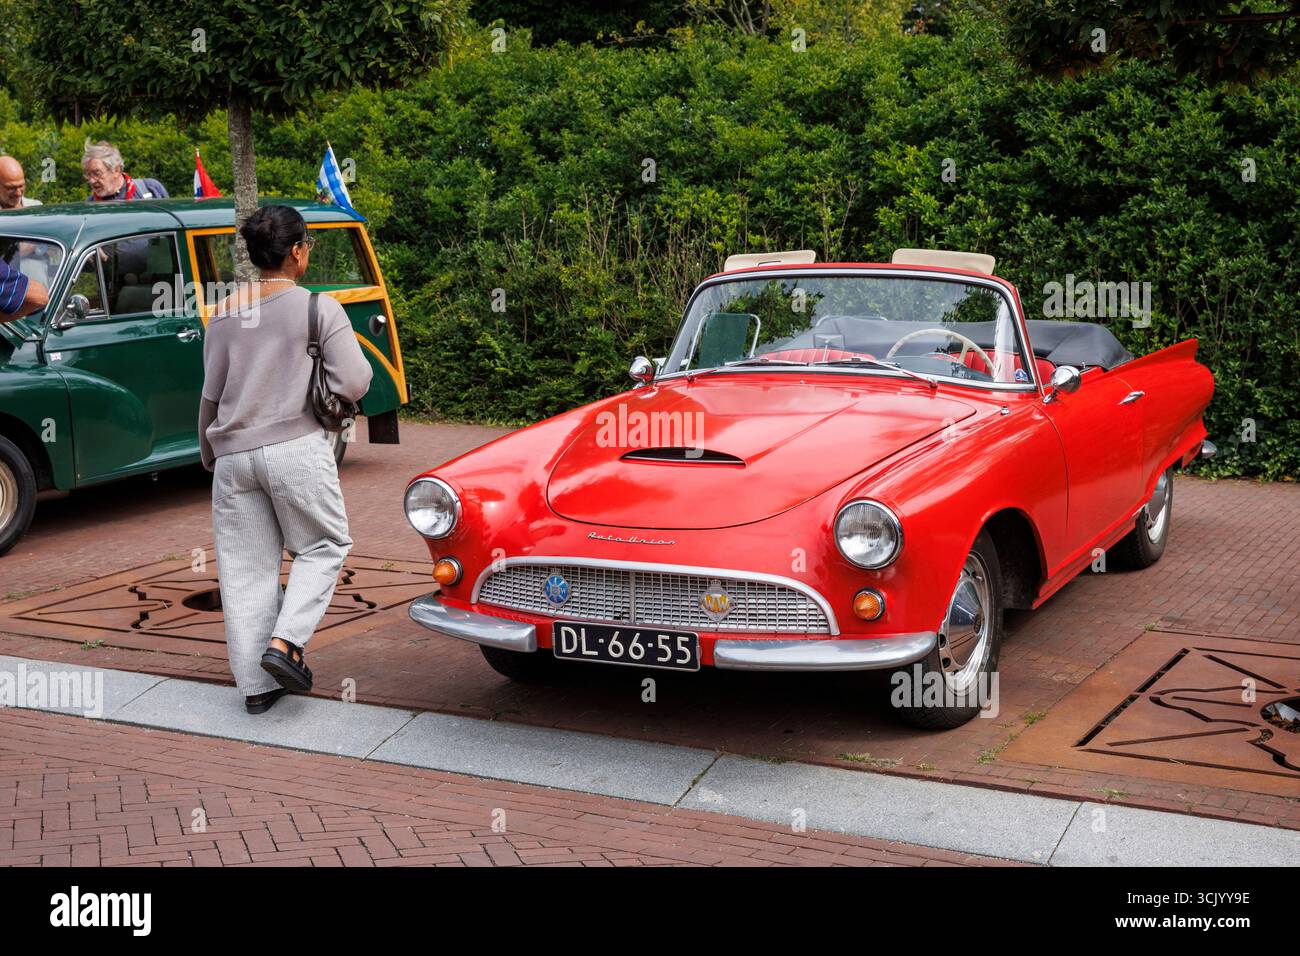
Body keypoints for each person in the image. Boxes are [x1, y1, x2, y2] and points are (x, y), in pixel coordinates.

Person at [199, 205, 372, 714]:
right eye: (308, 246)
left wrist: (211, 453)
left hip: (232, 457)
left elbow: (210, 397)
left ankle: (257, 689)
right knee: (324, 546)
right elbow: (356, 381)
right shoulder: (319, 308)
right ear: (296, 252)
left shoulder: (224, 313)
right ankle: (286, 643)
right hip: (296, 447)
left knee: (245, 569)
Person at [81, 142, 169, 202]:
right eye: (88, 174)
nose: (91, 180)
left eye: (97, 173)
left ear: (116, 170)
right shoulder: (89, 207)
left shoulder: (150, 189)